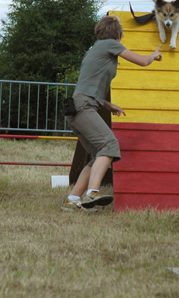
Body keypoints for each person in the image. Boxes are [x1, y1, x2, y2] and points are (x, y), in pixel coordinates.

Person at [61, 15, 163, 212]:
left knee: (97, 154)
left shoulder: (94, 50)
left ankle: (72, 199)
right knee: (109, 144)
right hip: (84, 107)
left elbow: (88, 85)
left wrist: (107, 105)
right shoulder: (109, 44)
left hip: (78, 106)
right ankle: (92, 193)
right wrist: (153, 55)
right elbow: (142, 61)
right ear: (118, 34)